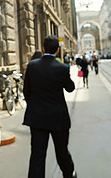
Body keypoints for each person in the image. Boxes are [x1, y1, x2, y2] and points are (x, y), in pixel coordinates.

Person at [22, 35, 77, 178]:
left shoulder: (32, 66)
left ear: (43, 48)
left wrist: (35, 106)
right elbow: (70, 88)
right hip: (58, 118)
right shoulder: (62, 67)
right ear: (57, 50)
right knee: (62, 151)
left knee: (37, 156)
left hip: (37, 118)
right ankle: (69, 174)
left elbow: (26, 92)